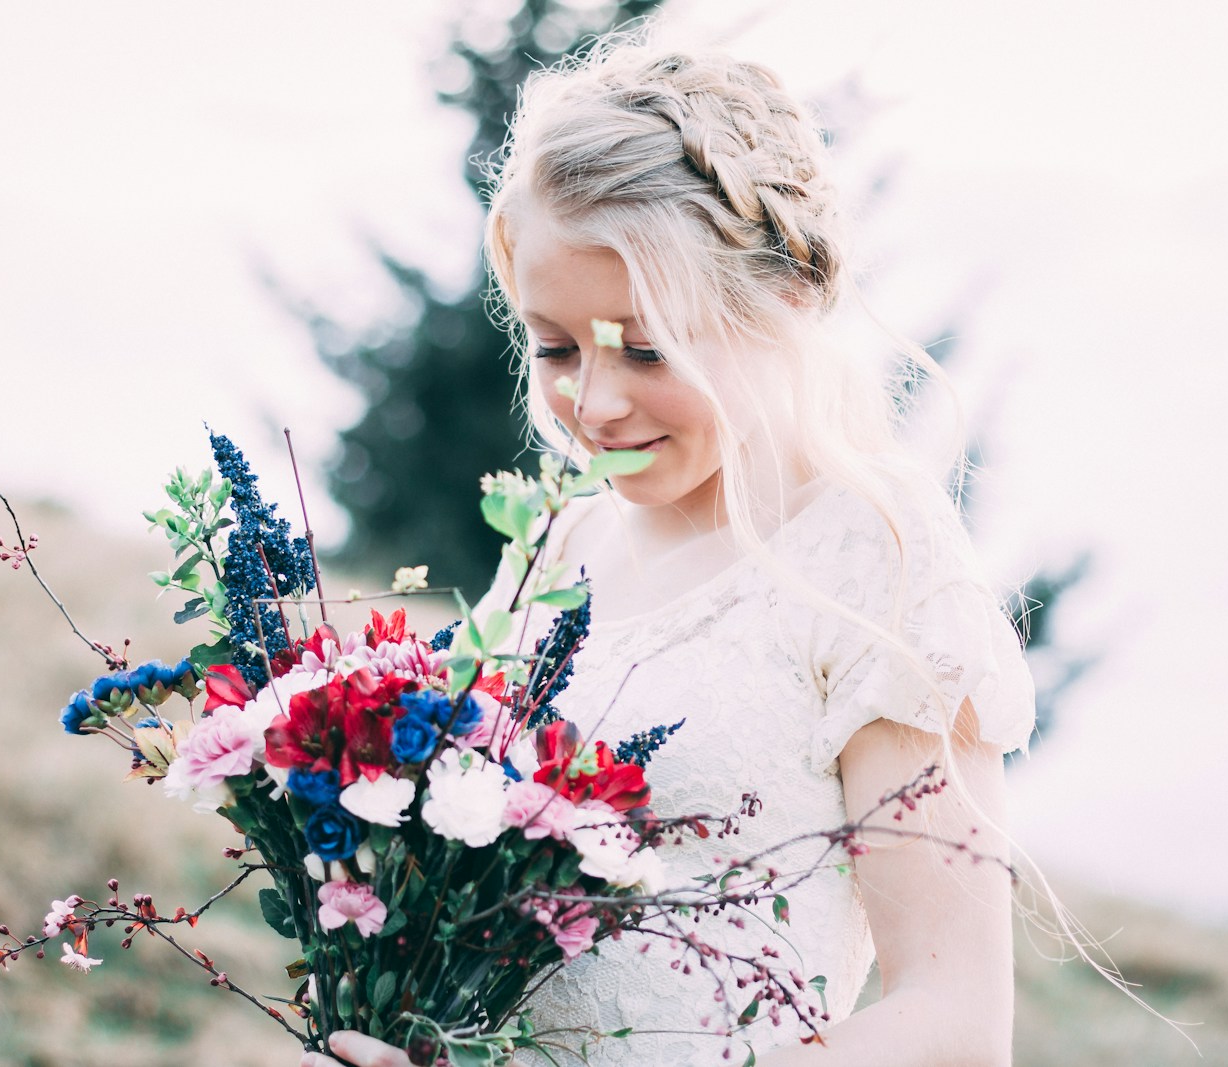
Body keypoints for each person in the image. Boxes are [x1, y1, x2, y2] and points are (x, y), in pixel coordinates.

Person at [303, 34, 1036, 1067]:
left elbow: (955, 1022)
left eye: (647, 347)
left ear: (780, 303)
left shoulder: (875, 557)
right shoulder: (558, 540)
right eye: (553, 345)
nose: (592, 404)